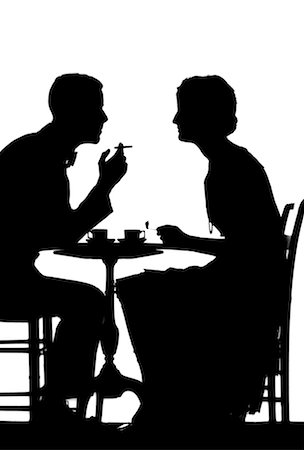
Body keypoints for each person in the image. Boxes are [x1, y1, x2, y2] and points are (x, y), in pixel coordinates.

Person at [0, 73, 127, 418]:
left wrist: (104, 185)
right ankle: (57, 407)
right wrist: (103, 187)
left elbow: (60, 232)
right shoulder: (34, 152)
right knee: (88, 302)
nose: (103, 118)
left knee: (88, 301)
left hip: (0, 278)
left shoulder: (47, 155)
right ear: (71, 111)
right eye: (97, 109)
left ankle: (58, 403)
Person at [116, 76, 285, 428]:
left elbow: (255, 245)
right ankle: (169, 395)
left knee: (139, 290)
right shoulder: (227, 163)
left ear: (204, 116)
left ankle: (163, 397)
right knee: (143, 288)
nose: (176, 121)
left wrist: (187, 242)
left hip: (245, 288)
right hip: (243, 278)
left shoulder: (233, 167)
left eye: (183, 112)